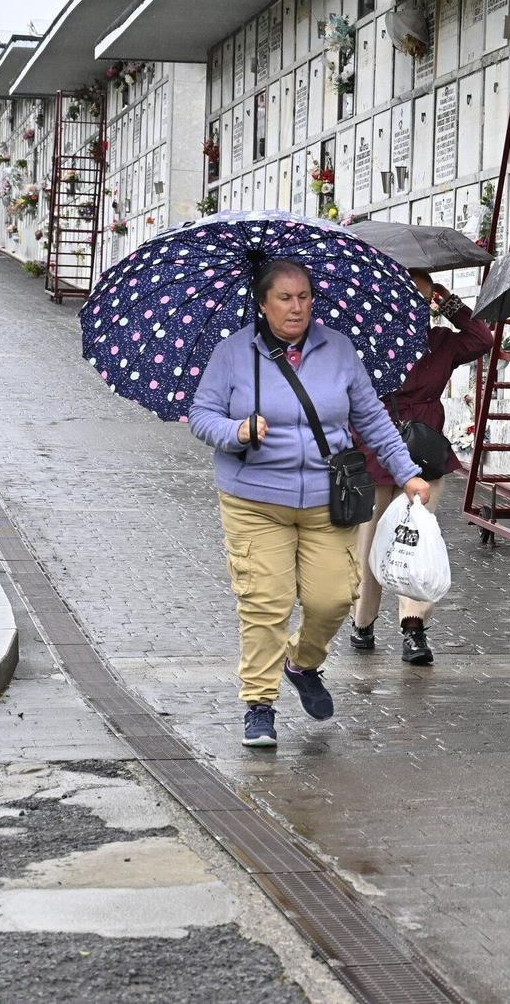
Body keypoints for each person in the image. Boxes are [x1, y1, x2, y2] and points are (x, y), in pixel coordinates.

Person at [189, 258, 429, 748]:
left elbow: (372, 418)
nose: (296, 307)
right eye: (284, 298)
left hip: (328, 499)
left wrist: (408, 474)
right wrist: (236, 431)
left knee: (334, 597)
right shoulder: (234, 353)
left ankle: (303, 663)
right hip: (255, 500)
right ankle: (259, 705)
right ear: (262, 304)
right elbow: (201, 414)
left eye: (303, 297)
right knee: (266, 603)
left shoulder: (339, 350)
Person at [347, 271, 492, 666]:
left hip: (423, 451)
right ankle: (363, 622)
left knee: (415, 538)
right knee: (370, 541)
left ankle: (413, 627)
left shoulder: (440, 341)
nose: (415, 306)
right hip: (375, 447)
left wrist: (447, 301)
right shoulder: (369, 340)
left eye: (423, 299)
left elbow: (482, 339)